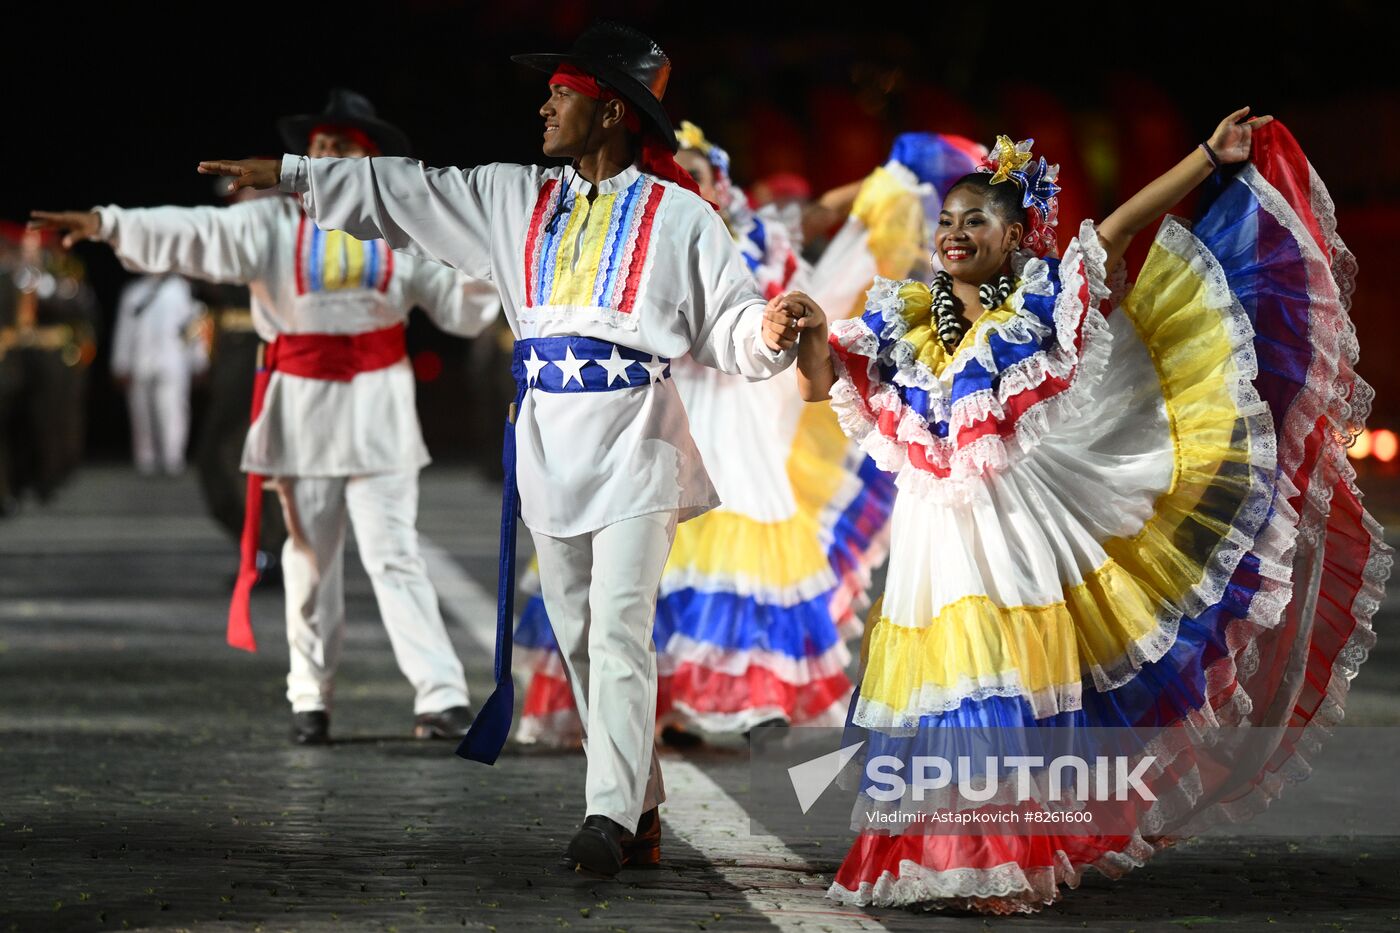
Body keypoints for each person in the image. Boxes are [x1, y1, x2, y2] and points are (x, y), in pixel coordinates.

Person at [196, 22, 825, 876]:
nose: (544, 104)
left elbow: (731, 327)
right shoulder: (512, 198)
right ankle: (638, 807)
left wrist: (773, 327)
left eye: (561, 92)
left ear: (608, 113)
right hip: (549, 446)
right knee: (576, 632)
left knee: (618, 631)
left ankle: (604, 815)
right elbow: (406, 191)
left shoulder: (680, 215)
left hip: (639, 439)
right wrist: (298, 175)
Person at [795, 111, 1389, 913]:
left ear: (1016, 238)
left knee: (996, 688)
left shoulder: (1036, 310)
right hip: (933, 549)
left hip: (1013, 540)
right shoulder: (901, 322)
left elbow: (1114, 229)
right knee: (939, 690)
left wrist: (1206, 157)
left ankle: (1001, 860)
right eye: (948, 220)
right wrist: (798, 328)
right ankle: (938, 854)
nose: (956, 232)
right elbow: (819, 379)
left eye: (978, 220)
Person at [32, 89, 500, 746]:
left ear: (368, 162)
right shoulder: (274, 225)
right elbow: (199, 232)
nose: (325, 156)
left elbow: (460, 303)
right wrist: (111, 223)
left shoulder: (402, 234)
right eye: (319, 147)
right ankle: (310, 694)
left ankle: (441, 693)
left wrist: (499, 269)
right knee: (308, 556)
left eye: (341, 148)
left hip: (380, 409)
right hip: (303, 405)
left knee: (395, 553)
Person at [510, 119, 894, 748]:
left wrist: (891, 180)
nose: (690, 179)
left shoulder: (761, 233)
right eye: (677, 168)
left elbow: (820, 215)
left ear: (722, 179)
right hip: (666, 400)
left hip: (742, 407)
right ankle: (654, 705)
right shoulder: (649, 228)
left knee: (746, 544)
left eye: (702, 169)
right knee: (646, 565)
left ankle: (750, 697)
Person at [110, 273, 206, 476]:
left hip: (172, 360)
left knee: (172, 410)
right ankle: (145, 458)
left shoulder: (180, 290)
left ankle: (173, 458)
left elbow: (193, 327)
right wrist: (121, 363)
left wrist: (198, 359)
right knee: (141, 412)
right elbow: (125, 330)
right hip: (140, 361)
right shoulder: (133, 292)